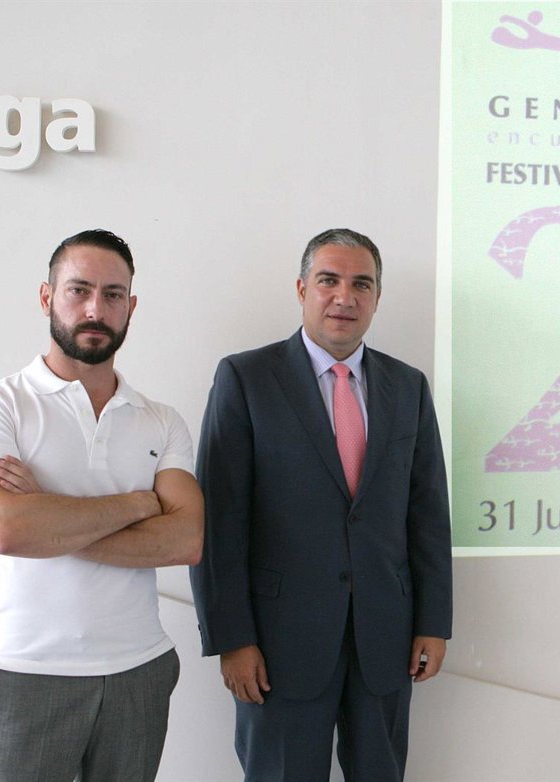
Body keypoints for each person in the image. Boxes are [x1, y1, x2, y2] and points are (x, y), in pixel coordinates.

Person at [190, 228, 452, 781]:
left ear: (377, 296)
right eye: (329, 280)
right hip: (278, 644)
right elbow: (221, 522)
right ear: (302, 288)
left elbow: (427, 516)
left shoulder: (408, 387)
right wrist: (232, 638)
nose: (344, 297)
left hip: (385, 638)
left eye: (362, 284)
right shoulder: (246, 378)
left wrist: (434, 621)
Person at [0, 229, 204, 781]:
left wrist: (48, 513)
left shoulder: (161, 420)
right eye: (79, 290)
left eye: (113, 295)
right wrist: (141, 502)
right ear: (47, 296)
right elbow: (7, 530)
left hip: (139, 672)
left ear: (131, 307)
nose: (95, 309)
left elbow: (186, 540)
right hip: (25, 675)